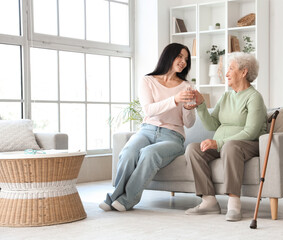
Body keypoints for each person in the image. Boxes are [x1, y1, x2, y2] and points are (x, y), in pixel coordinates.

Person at [99, 43, 196, 212]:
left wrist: (188, 108)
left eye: (186, 59)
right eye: (180, 56)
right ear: (169, 56)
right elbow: (149, 110)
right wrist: (174, 100)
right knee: (128, 152)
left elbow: (188, 123)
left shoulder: (187, 87)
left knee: (149, 153)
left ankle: (127, 200)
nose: (183, 62)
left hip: (173, 136)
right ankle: (114, 197)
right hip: (147, 130)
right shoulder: (148, 80)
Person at [184, 52, 267, 222]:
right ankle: (209, 201)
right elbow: (212, 125)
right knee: (193, 149)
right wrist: (201, 105)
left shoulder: (254, 97)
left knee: (230, 146)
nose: (226, 73)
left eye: (231, 69)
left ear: (244, 72)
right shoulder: (226, 96)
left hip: (247, 143)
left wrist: (219, 142)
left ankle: (234, 202)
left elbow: (250, 132)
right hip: (225, 144)